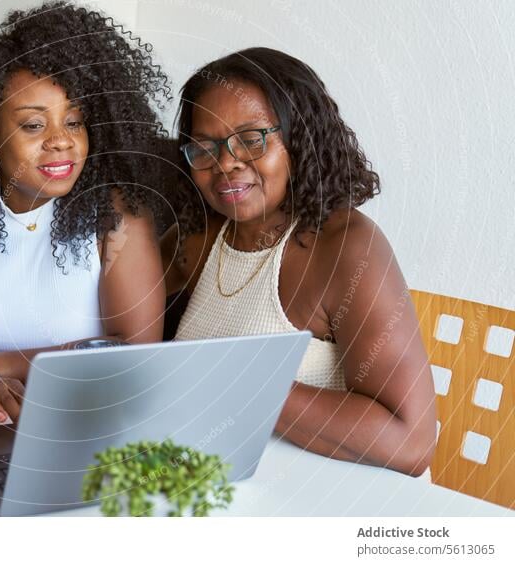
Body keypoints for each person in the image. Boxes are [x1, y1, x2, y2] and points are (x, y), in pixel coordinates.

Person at [163, 48, 436, 476]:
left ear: (299, 140)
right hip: (218, 486)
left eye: (252, 140)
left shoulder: (347, 246)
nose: (226, 163)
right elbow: (114, 327)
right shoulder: (200, 237)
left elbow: (412, 442)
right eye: (204, 147)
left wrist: (250, 385)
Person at [0, 0, 170, 421]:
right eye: (33, 125)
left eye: (74, 122)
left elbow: (135, 352)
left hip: (84, 416)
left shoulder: (115, 218)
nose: (61, 141)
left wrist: (9, 364)